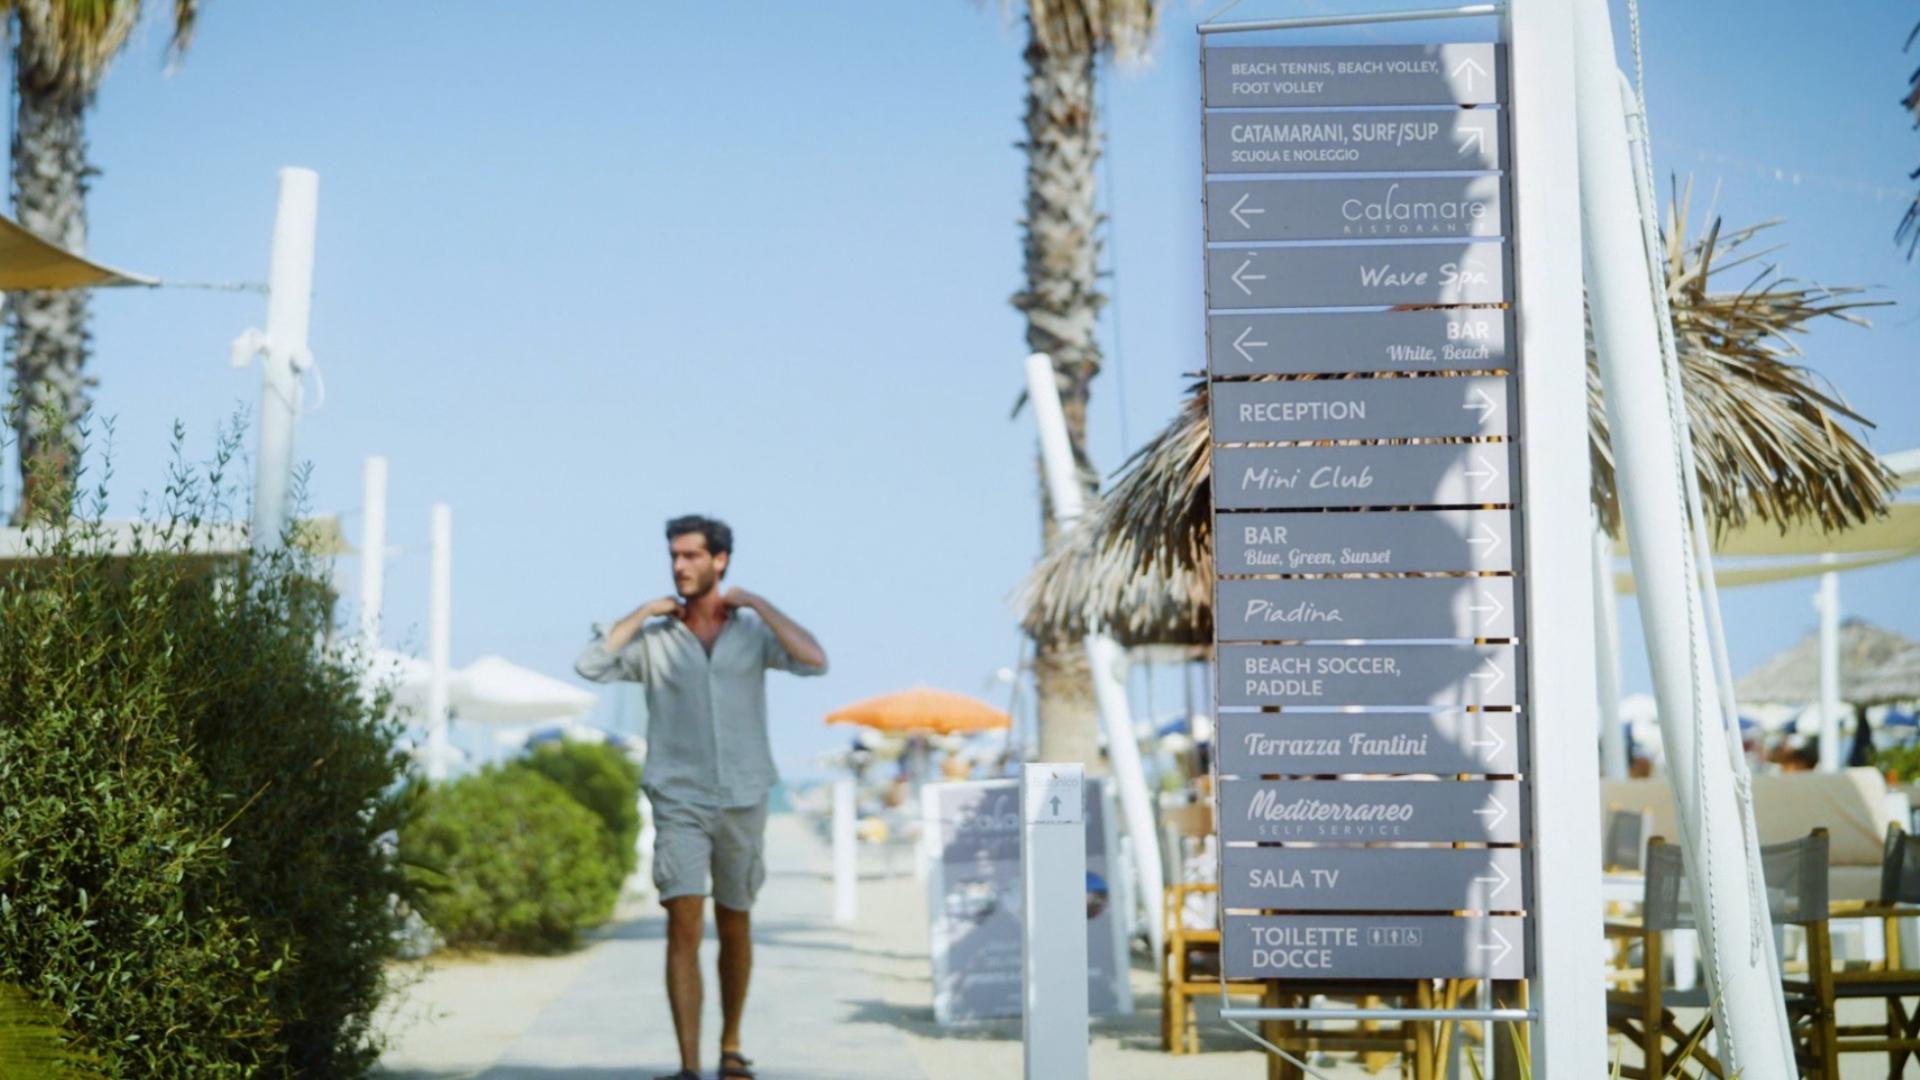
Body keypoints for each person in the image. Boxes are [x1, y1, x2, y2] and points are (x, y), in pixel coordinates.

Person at [575, 514, 827, 1080]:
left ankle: (730, 1047)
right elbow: (590, 663)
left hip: (743, 794)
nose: (679, 566)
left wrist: (758, 604)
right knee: (682, 923)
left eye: (691, 556)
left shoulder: (753, 635)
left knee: (735, 921)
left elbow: (814, 659)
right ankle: (688, 1067)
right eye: (674, 556)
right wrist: (642, 612)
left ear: (720, 561)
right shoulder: (653, 641)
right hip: (678, 796)